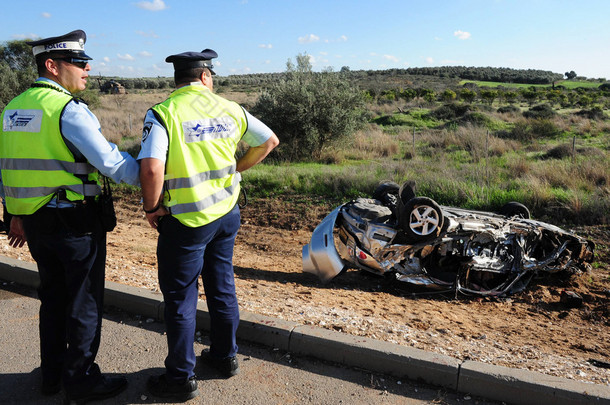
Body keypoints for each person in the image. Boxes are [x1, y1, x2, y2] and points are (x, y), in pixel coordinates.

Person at [0, 29, 140, 403]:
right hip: (75, 224)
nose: (87, 68)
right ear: (52, 65)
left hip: (34, 224)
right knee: (83, 301)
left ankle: (52, 374)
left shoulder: (13, 108)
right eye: (79, 62)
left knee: (53, 298)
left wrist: (12, 213)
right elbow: (111, 163)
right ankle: (80, 381)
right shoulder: (67, 110)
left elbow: (8, 168)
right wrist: (153, 174)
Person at [139, 49, 279, 401]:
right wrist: (237, 169)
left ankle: (180, 378)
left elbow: (152, 168)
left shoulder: (163, 113)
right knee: (221, 285)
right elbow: (269, 141)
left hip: (186, 221)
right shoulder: (230, 108)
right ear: (204, 77)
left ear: (178, 79)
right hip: (226, 214)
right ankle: (224, 357)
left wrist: (152, 208)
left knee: (182, 298)